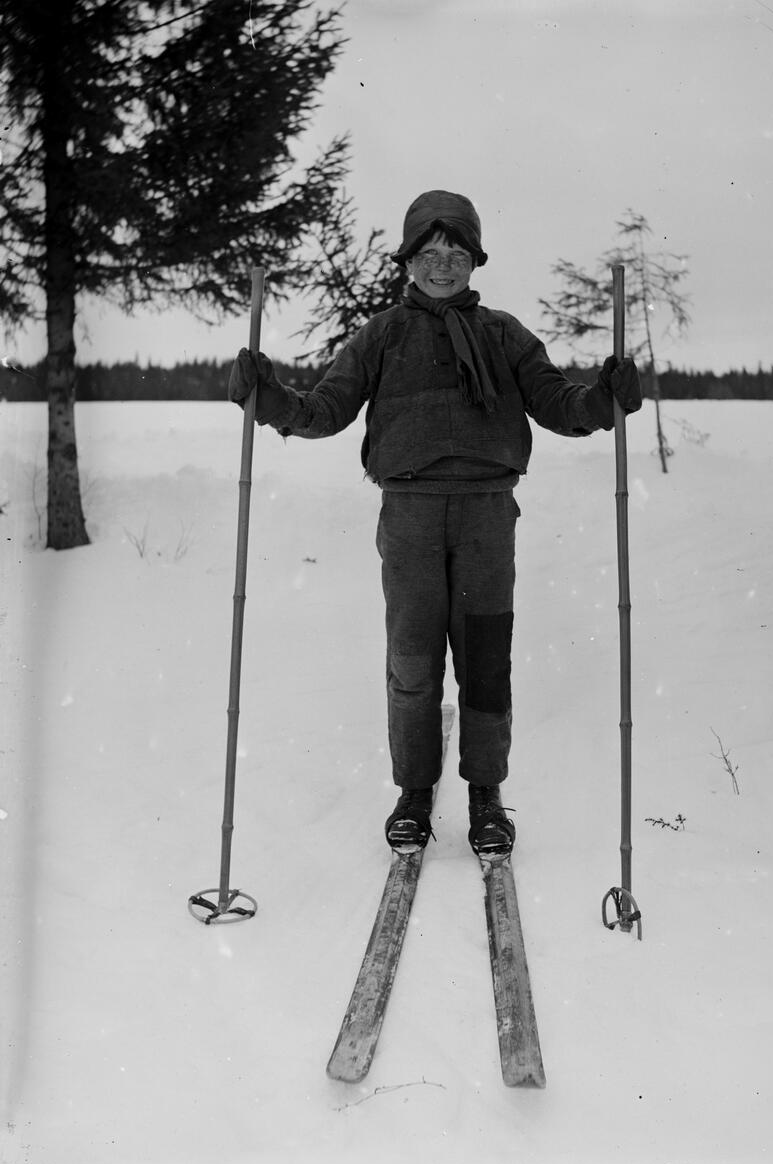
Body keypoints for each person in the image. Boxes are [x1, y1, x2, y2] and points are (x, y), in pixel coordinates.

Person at [228, 190, 641, 856]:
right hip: (410, 518)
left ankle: (485, 795)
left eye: (455, 253)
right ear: (408, 261)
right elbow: (324, 411)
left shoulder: (505, 334)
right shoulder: (381, 335)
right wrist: (268, 398)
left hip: (487, 516)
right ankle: (414, 793)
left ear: (475, 260)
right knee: (413, 662)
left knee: (485, 661)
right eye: (429, 253)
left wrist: (604, 400)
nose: (442, 265)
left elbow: (559, 404)